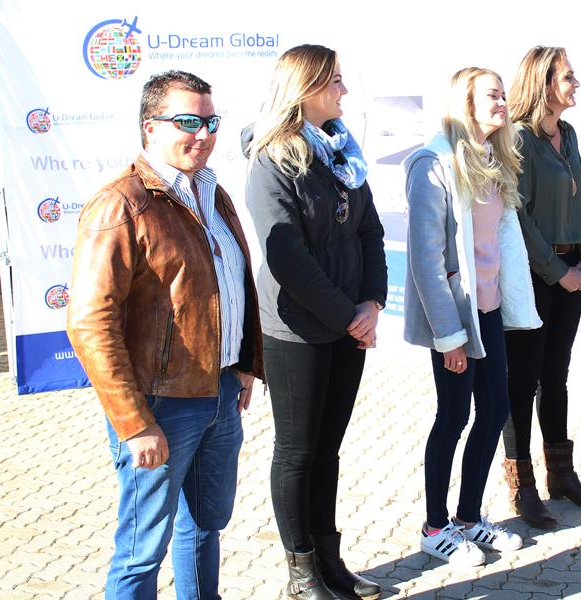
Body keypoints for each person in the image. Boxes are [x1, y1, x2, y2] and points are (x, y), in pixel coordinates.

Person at [67, 70, 264, 599]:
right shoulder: (121, 204)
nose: (203, 134)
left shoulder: (212, 193)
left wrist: (244, 364)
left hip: (220, 391)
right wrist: (134, 423)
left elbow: (229, 286)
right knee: (141, 550)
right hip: (160, 405)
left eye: (211, 122)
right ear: (149, 127)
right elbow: (89, 322)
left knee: (204, 527)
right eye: (188, 122)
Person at [244, 44, 387, 600]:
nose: (344, 91)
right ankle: (301, 575)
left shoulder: (343, 151)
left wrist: (371, 302)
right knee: (298, 450)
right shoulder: (272, 159)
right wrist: (348, 316)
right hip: (297, 329)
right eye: (335, 82)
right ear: (304, 89)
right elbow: (288, 260)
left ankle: (330, 561)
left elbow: (370, 231)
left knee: (328, 449)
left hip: (348, 324)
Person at [404, 67, 540, 567]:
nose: (503, 103)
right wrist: (449, 336)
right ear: (466, 102)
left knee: (495, 410)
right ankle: (434, 527)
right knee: (453, 417)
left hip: (490, 311)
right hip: (456, 320)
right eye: (492, 95)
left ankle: (467, 518)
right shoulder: (433, 163)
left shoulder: (493, 158)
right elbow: (427, 261)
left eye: (504, 95)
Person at [501, 46, 581, 529]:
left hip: (571, 269)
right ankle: (521, 485)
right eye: (568, 76)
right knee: (523, 382)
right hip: (535, 274)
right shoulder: (519, 138)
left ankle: (561, 475)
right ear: (543, 84)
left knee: (556, 377)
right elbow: (517, 215)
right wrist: (555, 270)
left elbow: (579, 201)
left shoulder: (569, 133)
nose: (576, 83)